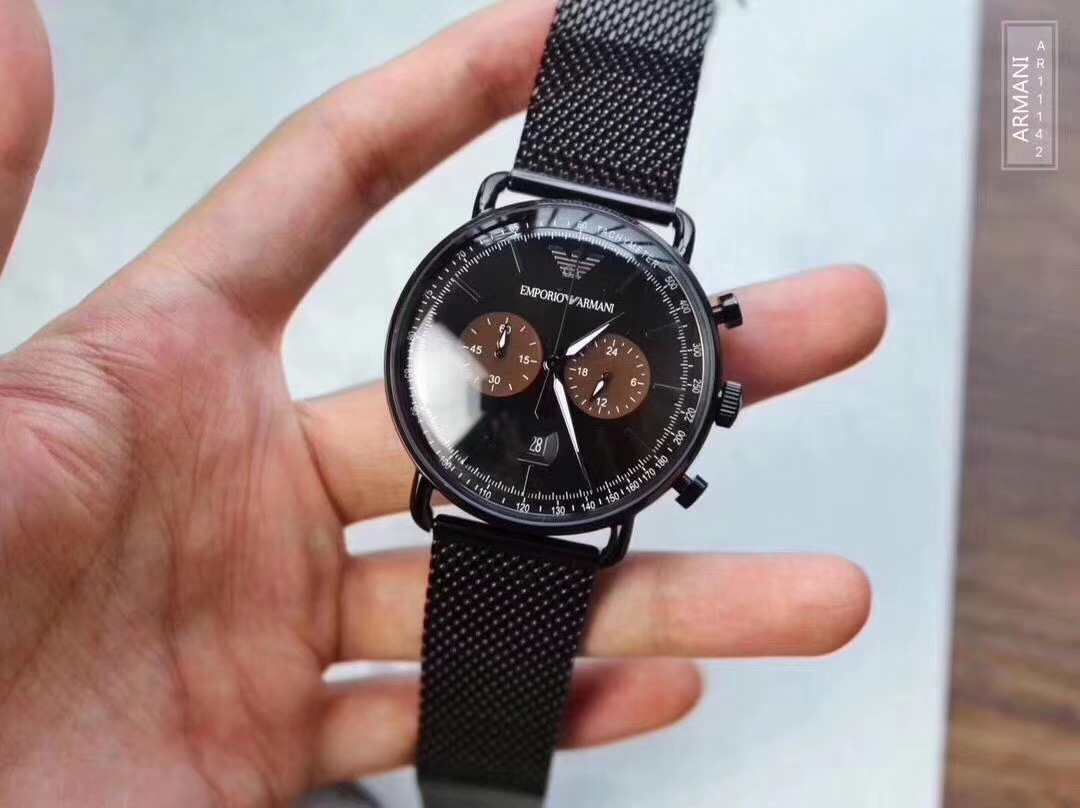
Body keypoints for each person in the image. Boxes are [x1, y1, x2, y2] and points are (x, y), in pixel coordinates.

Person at [0, 0, 887, 805]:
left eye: (598, 371)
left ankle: (477, 781)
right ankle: (474, 784)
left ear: (702, 399)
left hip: (525, 498)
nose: (552, 368)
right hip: (496, 488)